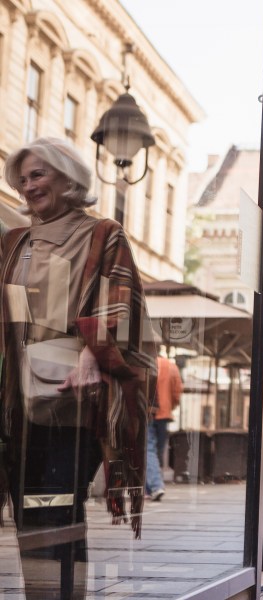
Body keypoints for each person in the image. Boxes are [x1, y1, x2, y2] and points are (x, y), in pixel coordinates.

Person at [0, 137, 156, 597]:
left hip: (76, 399)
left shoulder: (102, 234)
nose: (29, 186)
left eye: (39, 174)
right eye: (23, 178)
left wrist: (93, 352)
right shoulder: (13, 241)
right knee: (29, 512)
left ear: (68, 178)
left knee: (59, 508)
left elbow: (125, 303)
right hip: (18, 405)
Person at [146, 355, 183, 501]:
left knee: (148, 450)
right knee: (157, 451)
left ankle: (154, 486)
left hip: (146, 413)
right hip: (164, 414)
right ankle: (152, 486)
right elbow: (177, 392)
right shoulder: (171, 366)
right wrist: (170, 406)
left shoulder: (143, 362)